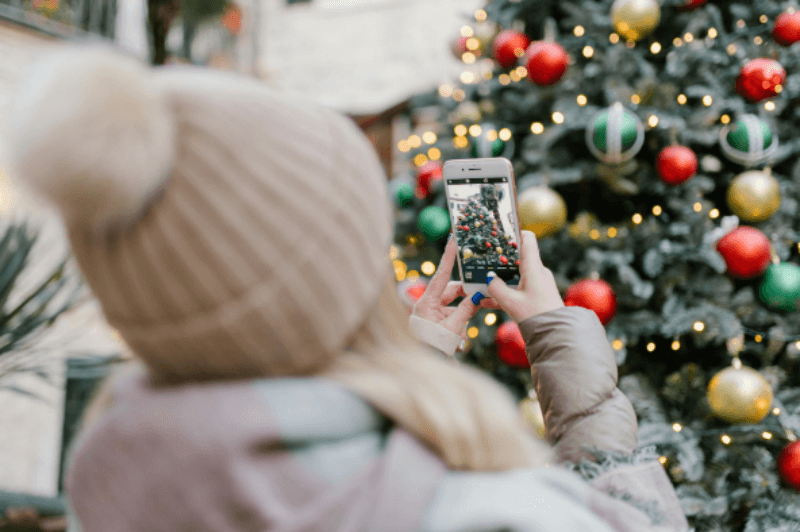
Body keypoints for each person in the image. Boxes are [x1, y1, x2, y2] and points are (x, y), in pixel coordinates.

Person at [4, 46, 688, 532]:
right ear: (336, 274)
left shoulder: (113, 482)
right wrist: (562, 346)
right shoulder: (473, 511)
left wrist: (413, 357)